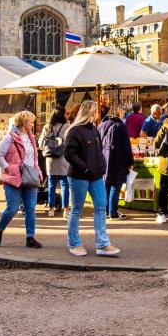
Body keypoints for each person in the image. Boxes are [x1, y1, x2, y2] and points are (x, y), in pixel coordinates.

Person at [63, 100, 120, 257]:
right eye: (96, 111)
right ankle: (74, 243)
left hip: (95, 175)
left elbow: (98, 151)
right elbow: (68, 153)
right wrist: (85, 167)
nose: (98, 114)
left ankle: (102, 243)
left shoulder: (94, 130)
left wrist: (100, 167)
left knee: (101, 206)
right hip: (79, 176)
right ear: (91, 112)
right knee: (77, 209)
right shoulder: (75, 131)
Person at [0, 111, 44, 248]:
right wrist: (9, 168)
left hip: (30, 176)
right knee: (12, 208)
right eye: (31, 122)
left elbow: (33, 158)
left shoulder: (31, 137)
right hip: (13, 178)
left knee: (30, 209)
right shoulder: (9, 138)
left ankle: (30, 237)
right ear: (23, 123)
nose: (33, 124)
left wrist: (38, 171)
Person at [99, 105, 134, 221]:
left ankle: (107, 211)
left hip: (104, 158)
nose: (124, 114)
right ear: (118, 113)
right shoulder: (120, 126)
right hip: (118, 159)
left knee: (107, 184)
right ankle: (113, 212)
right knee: (116, 184)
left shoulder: (101, 125)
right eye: (122, 112)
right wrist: (130, 161)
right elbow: (126, 146)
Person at [39, 106, 70, 218]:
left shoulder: (47, 127)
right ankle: (66, 210)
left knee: (51, 184)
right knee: (65, 184)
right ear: (61, 115)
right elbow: (69, 142)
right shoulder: (67, 126)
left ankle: (51, 209)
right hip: (63, 158)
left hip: (50, 159)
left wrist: (51, 143)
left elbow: (41, 143)